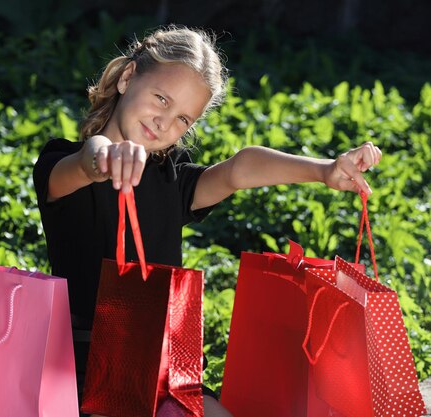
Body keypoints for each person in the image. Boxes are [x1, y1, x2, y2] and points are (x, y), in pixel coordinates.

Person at [32, 25, 382, 417]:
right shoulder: (63, 164)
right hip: (83, 372)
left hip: (162, 367)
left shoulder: (172, 178)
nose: (164, 122)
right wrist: (104, 157)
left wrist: (325, 170)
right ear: (128, 77)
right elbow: (86, 161)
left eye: (183, 119)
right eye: (160, 98)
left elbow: (238, 169)